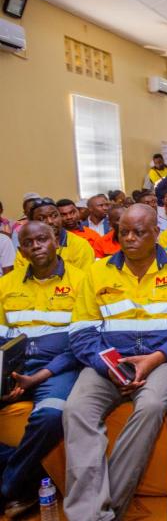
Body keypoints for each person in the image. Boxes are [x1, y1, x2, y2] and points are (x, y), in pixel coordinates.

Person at [63, 204, 167, 520]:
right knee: (76, 410)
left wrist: (154, 359)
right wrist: (106, 364)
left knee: (149, 407)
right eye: (124, 232)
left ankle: (109, 510)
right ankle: (87, 514)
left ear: (156, 234)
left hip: (165, 359)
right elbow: (81, 331)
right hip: (107, 362)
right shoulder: (97, 271)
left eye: (139, 232)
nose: (130, 238)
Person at [0, 222, 83, 518]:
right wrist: (4, 377)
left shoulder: (82, 280)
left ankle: (8, 488)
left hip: (58, 368)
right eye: (28, 242)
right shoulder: (6, 285)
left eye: (42, 239)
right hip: (13, 368)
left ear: (55, 241)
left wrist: (39, 376)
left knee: (52, 414)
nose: (36, 246)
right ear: (21, 250)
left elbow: (81, 343)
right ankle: (27, 480)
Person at [14, 198, 94, 271]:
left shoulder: (80, 245)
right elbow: (20, 278)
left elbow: (84, 280)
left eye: (54, 216)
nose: (50, 221)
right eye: (41, 218)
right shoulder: (27, 249)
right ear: (32, 222)